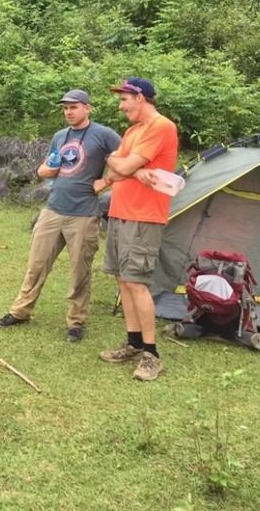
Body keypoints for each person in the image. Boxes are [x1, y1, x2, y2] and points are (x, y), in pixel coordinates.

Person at [0, 90, 122, 342]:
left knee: (79, 271)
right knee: (36, 265)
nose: (69, 112)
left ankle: (76, 322)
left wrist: (105, 181)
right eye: (65, 108)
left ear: (87, 108)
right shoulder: (60, 136)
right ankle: (20, 311)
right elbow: (44, 170)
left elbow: (128, 159)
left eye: (74, 107)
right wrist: (48, 167)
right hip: (52, 210)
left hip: (83, 214)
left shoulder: (104, 134)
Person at [98, 77, 178, 381]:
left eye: (124, 100)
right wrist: (125, 164)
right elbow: (114, 170)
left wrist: (127, 165)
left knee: (137, 282)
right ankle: (133, 343)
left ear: (140, 97)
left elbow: (124, 166)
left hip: (144, 216)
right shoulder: (132, 131)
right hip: (120, 212)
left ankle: (151, 354)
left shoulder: (161, 127)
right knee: (123, 279)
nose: (121, 106)